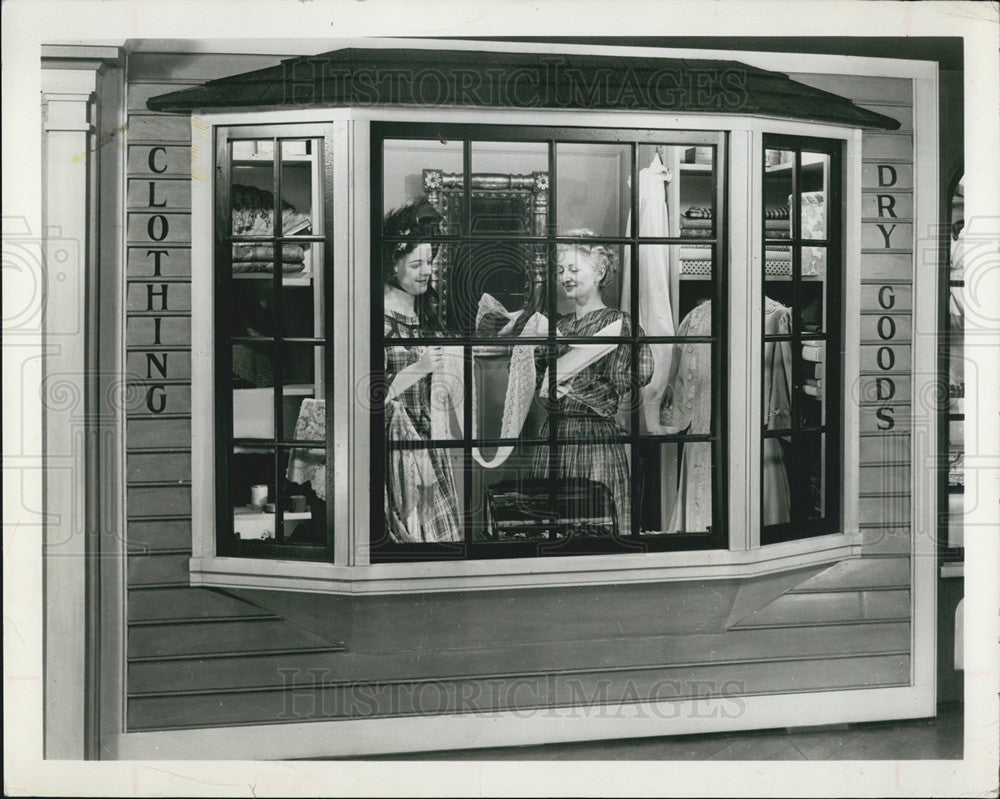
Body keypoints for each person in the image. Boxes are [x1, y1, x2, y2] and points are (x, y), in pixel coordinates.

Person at [530, 230, 654, 536]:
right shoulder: (556, 326)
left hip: (594, 440)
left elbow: (636, 375)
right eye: (560, 271)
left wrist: (576, 385)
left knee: (595, 528)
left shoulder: (620, 324)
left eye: (574, 269)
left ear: (599, 272)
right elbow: (537, 385)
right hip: (555, 437)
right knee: (552, 530)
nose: (565, 277)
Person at [382, 199, 462, 543]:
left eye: (429, 262)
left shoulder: (425, 317)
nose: (426, 271)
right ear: (393, 267)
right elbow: (370, 393)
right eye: (416, 264)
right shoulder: (380, 319)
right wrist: (421, 367)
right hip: (396, 442)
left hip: (430, 436)